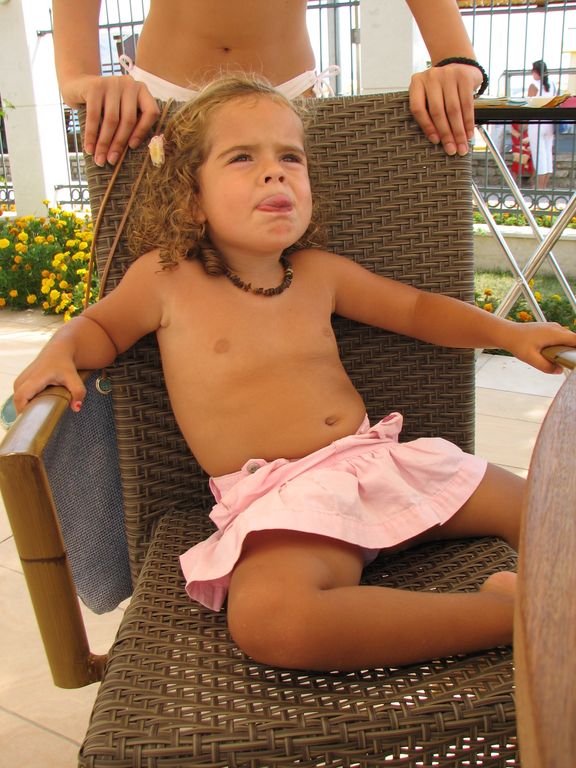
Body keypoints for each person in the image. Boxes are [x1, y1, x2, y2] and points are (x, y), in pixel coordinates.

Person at [15, 75, 574, 671]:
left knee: (550, 506)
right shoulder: (165, 279)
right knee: (274, 621)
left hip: (379, 465)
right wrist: (60, 350)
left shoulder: (317, 273)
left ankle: (539, 600)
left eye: (290, 158)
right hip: (282, 502)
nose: (274, 173)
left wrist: (508, 334)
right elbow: (100, 329)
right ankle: (508, 617)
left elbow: (416, 309)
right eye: (242, 158)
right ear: (192, 196)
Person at [52, 0, 485, 167]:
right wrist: (82, 80)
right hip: (158, 107)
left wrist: (456, 61)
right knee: (158, 292)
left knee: (305, 283)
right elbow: (75, 73)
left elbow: (459, 62)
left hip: (289, 102)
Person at [527, 59, 557, 190]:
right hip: (549, 122)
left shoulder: (534, 85)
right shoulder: (553, 85)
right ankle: (544, 186)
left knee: (539, 155)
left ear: (536, 72)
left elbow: (529, 104)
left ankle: (539, 188)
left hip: (536, 122)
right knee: (548, 154)